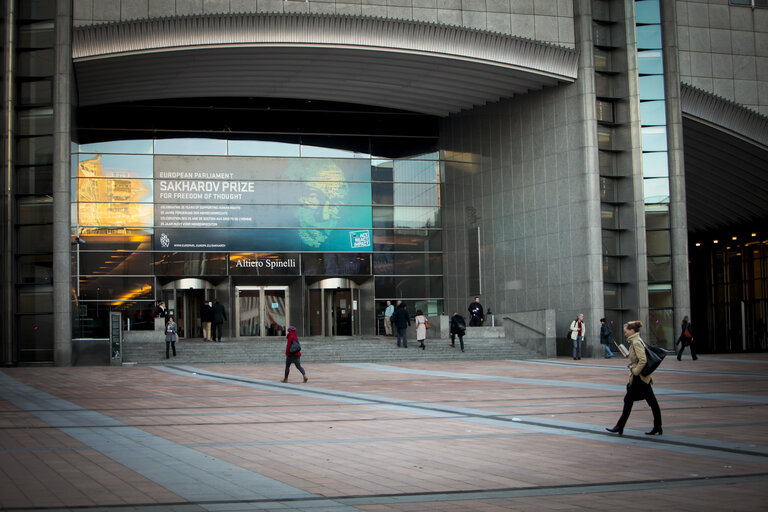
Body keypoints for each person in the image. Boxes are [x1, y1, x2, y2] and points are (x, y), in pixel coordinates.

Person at [606, 320, 663, 436]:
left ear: (632, 331)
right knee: (649, 402)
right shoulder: (635, 341)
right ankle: (657, 426)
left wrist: (635, 371)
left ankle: (620, 426)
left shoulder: (636, 342)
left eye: (626, 332)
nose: (625, 334)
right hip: (642, 377)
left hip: (640, 378)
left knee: (631, 401)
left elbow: (643, 360)